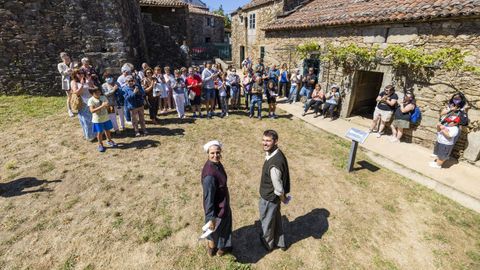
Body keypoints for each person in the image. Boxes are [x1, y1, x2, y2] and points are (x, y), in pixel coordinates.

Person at [259, 130, 290, 252]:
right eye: (263, 140)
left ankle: (268, 244)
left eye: (268, 141)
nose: (264, 143)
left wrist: (284, 199)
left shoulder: (274, 165)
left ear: (276, 141)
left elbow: (278, 188)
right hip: (274, 199)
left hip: (269, 198)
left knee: (266, 222)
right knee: (276, 219)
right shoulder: (276, 153)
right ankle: (280, 242)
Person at [201, 140, 232, 257]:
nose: (215, 155)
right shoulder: (209, 175)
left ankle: (212, 249)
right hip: (219, 208)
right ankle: (219, 249)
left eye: (218, 152)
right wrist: (211, 218)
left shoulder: (216, 164)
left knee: (215, 231)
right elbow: (208, 199)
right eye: (212, 153)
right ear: (208, 154)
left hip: (222, 203)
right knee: (221, 229)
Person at [88, 87, 117, 152]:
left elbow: (107, 106)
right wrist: (102, 106)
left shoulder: (103, 97)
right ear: (92, 94)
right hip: (97, 120)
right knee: (100, 132)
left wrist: (108, 106)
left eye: (99, 92)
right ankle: (100, 144)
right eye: (96, 93)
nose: (98, 93)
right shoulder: (91, 100)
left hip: (106, 118)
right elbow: (92, 110)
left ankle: (109, 141)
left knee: (107, 130)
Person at [70, 68, 95, 141]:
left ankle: (97, 133)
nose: (81, 74)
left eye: (82, 73)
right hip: (83, 103)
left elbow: (93, 88)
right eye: (79, 73)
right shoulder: (73, 82)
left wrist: (89, 81)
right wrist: (82, 84)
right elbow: (77, 93)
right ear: (75, 75)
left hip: (91, 101)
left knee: (93, 118)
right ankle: (90, 136)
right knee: (86, 120)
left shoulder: (86, 79)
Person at [57, 52, 75, 117]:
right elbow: (62, 73)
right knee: (69, 96)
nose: (65, 57)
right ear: (62, 58)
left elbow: (75, 70)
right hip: (66, 82)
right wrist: (68, 71)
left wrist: (72, 69)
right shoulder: (60, 65)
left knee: (77, 94)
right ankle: (69, 110)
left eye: (66, 56)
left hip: (74, 81)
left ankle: (77, 106)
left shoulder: (72, 63)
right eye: (64, 57)